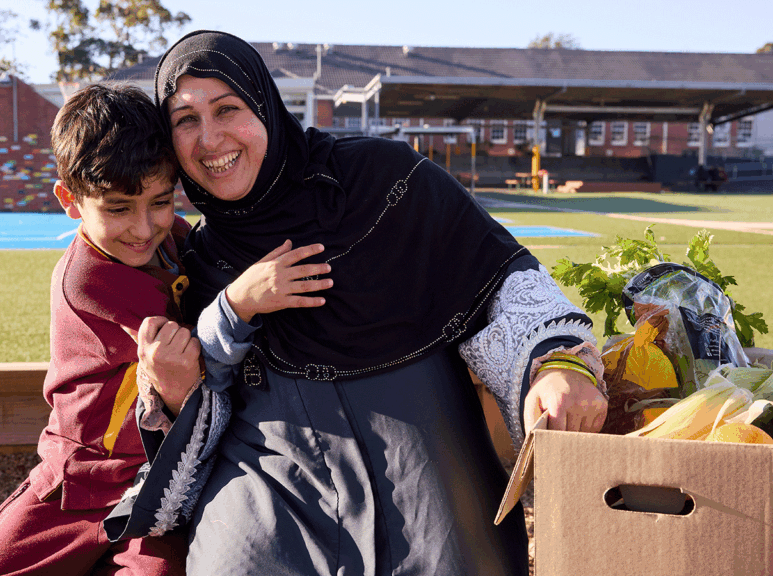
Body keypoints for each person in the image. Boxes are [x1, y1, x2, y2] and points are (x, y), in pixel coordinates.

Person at [124, 31, 608, 575]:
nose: (209, 139)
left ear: (264, 105)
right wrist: (178, 382)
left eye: (227, 108)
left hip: (419, 462)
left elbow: (501, 281)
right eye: (185, 120)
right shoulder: (204, 256)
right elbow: (207, 407)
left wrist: (558, 362)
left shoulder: (384, 180)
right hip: (273, 483)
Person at [0, 83, 331, 576]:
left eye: (160, 201)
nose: (144, 227)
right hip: (78, 478)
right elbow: (192, 354)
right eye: (118, 208)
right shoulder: (90, 279)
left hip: (158, 476)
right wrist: (242, 300)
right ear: (69, 200)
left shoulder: (176, 236)